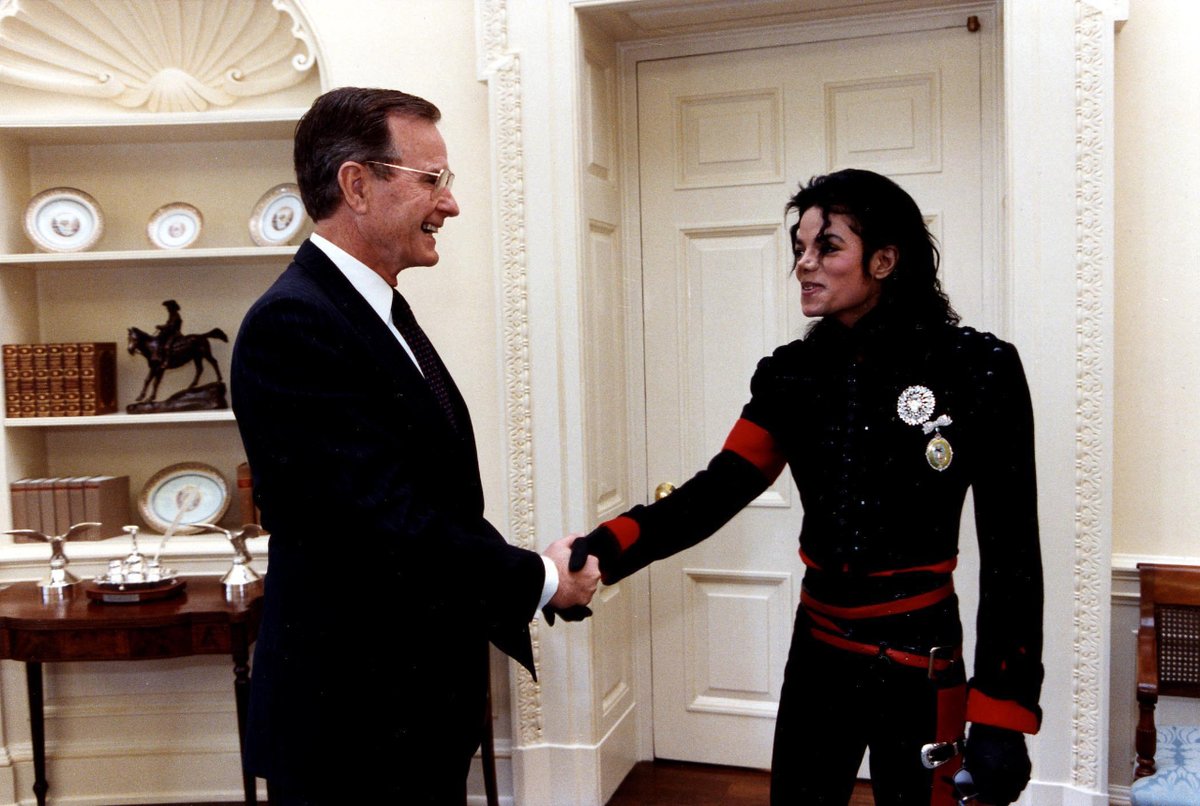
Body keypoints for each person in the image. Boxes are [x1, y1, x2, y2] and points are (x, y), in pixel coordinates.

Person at [571, 169, 1043, 805]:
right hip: (819, 657)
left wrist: (1002, 714)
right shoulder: (792, 377)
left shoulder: (979, 369)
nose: (804, 264)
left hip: (922, 663)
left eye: (828, 247)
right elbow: (719, 489)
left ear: (884, 259)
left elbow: (1014, 553)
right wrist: (608, 545)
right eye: (799, 247)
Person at [231, 87, 600, 804]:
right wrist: (542, 579)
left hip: (406, 709)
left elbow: (431, 498)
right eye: (433, 181)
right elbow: (384, 520)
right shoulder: (294, 325)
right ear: (357, 185)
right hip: (351, 720)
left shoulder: (375, 307)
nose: (450, 204)